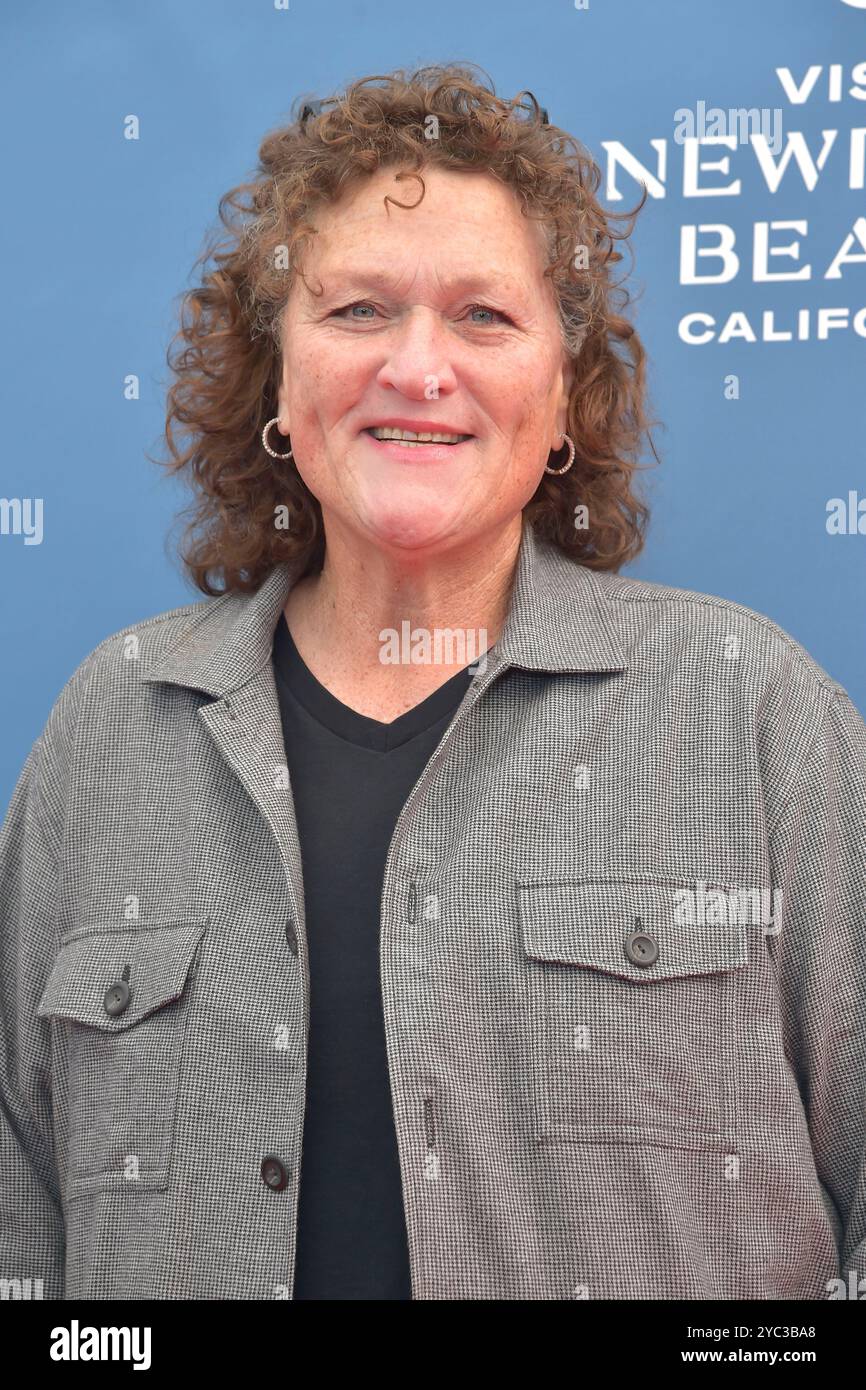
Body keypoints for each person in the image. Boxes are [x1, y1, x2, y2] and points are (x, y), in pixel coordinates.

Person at [1, 63, 864, 1301]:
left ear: (559, 398)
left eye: (483, 317)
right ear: (277, 387)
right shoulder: (111, 725)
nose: (418, 368)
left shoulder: (752, 709)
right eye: (356, 311)